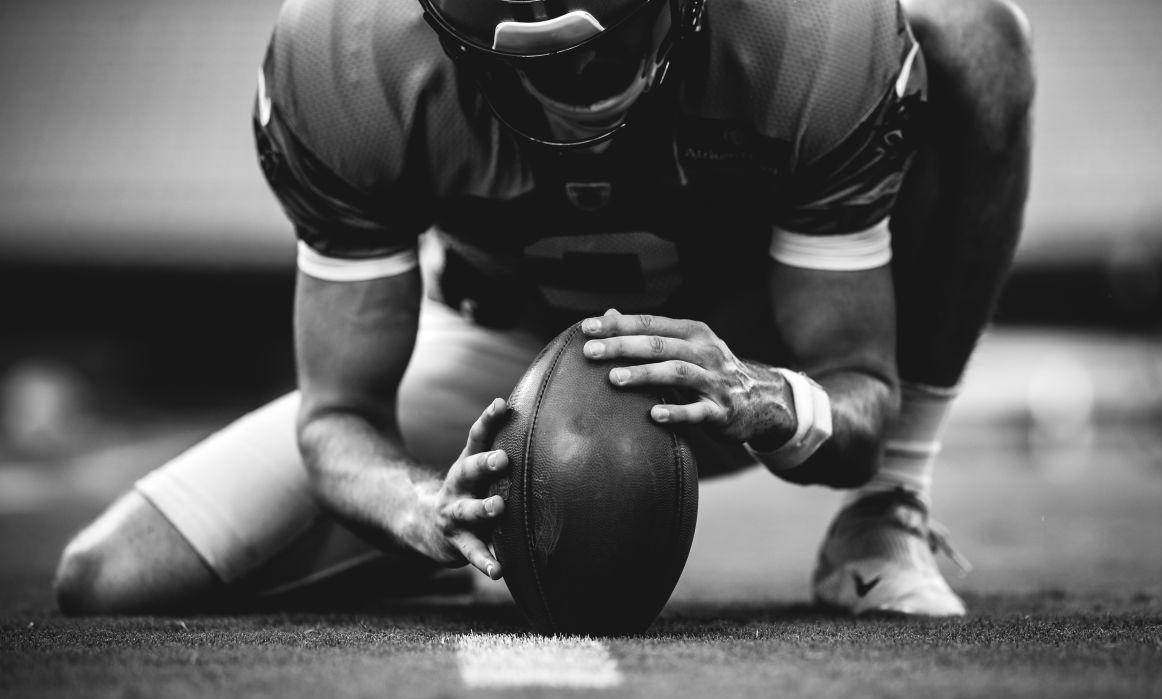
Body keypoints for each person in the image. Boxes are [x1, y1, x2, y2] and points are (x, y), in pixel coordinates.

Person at [53, 0, 1035, 618]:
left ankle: (885, 518)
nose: (568, 92)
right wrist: (410, 502)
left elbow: (855, 396)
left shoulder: (804, 36)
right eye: (529, 65)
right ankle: (455, 549)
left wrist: (768, 395)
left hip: (736, 353)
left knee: (975, 32)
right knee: (108, 579)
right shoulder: (347, 57)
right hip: (498, 377)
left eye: (591, 58)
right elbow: (337, 420)